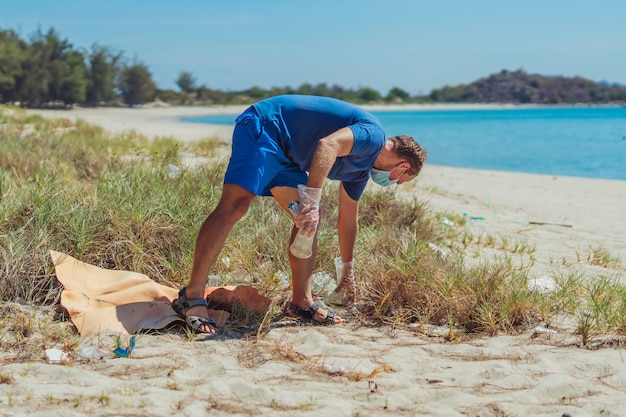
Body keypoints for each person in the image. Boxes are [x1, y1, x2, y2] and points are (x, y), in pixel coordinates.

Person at [172, 94, 427, 333]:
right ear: (403, 166)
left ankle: (301, 302)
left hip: (287, 155)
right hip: (265, 126)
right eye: (402, 180)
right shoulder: (373, 135)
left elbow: (348, 221)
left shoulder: (360, 173)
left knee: (307, 223)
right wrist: (311, 201)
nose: (396, 184)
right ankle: (192, 295)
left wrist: (347, 271)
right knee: (235, 206)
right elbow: (328, 145)